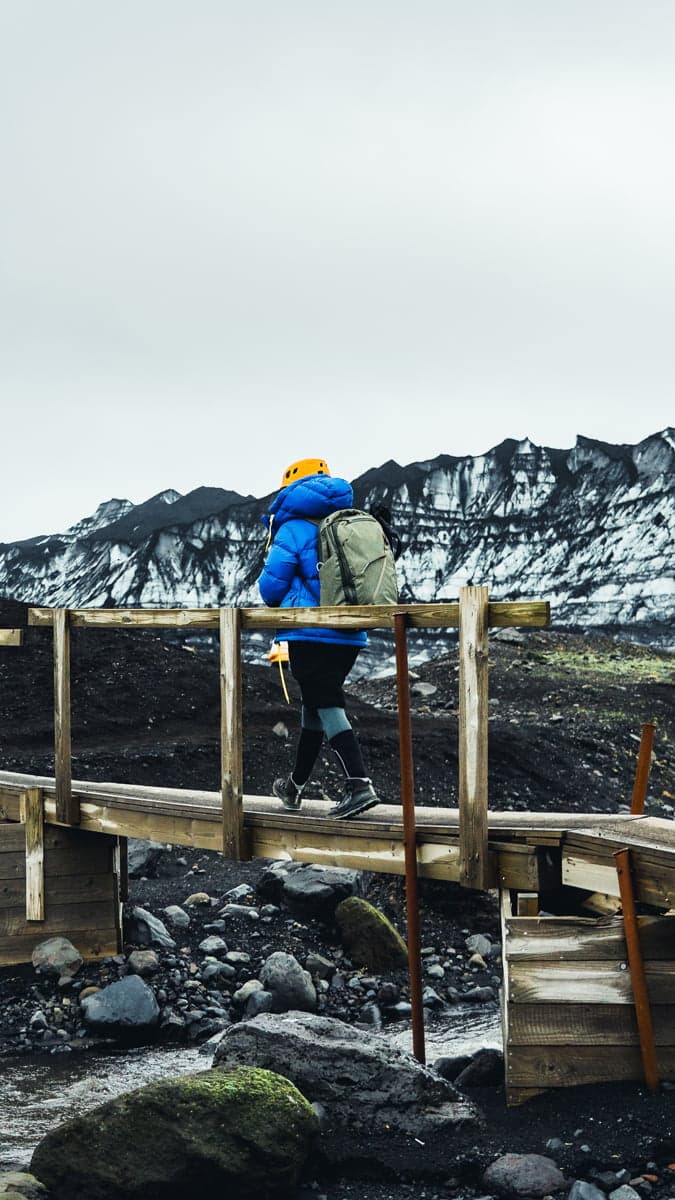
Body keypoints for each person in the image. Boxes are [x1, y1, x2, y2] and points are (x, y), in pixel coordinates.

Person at [258, 457, 380, 819]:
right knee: (314, 706)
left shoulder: (292, 527)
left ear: (290, 489)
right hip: (350, 633)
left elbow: (271, 588)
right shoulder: (348, 520)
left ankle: (359, 784)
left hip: (310, 632)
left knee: (326, 703)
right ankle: (294, 787)